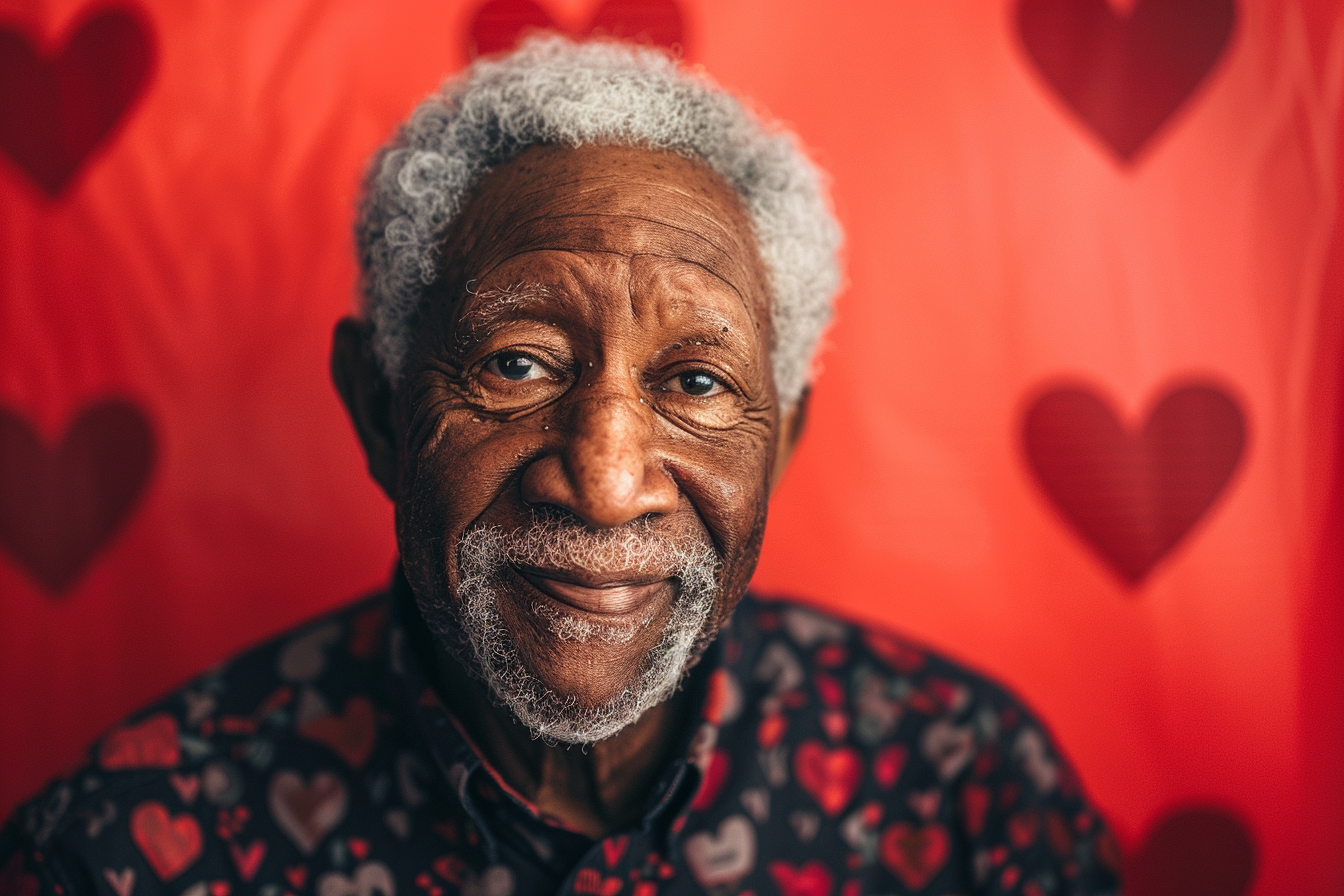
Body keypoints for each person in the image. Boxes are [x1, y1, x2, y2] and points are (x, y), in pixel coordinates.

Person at [0, 38, 1121, 896]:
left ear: (779, 443)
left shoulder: (966, 789)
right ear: (381, 410)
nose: (606, 481)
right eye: (518, 363)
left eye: (696, 382)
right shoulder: (119, 852)